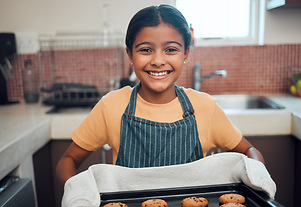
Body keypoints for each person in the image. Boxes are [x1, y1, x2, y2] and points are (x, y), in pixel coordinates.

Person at [56, 4, 264, 186]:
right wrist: (79, 192)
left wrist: (256, 175)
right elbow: (68, 160)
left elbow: (250, 152)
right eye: (145, 50)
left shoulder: (205, 108)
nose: (157, 60)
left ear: (186, 54)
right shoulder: (111, 106)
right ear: (129, 54)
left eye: (171, 49)